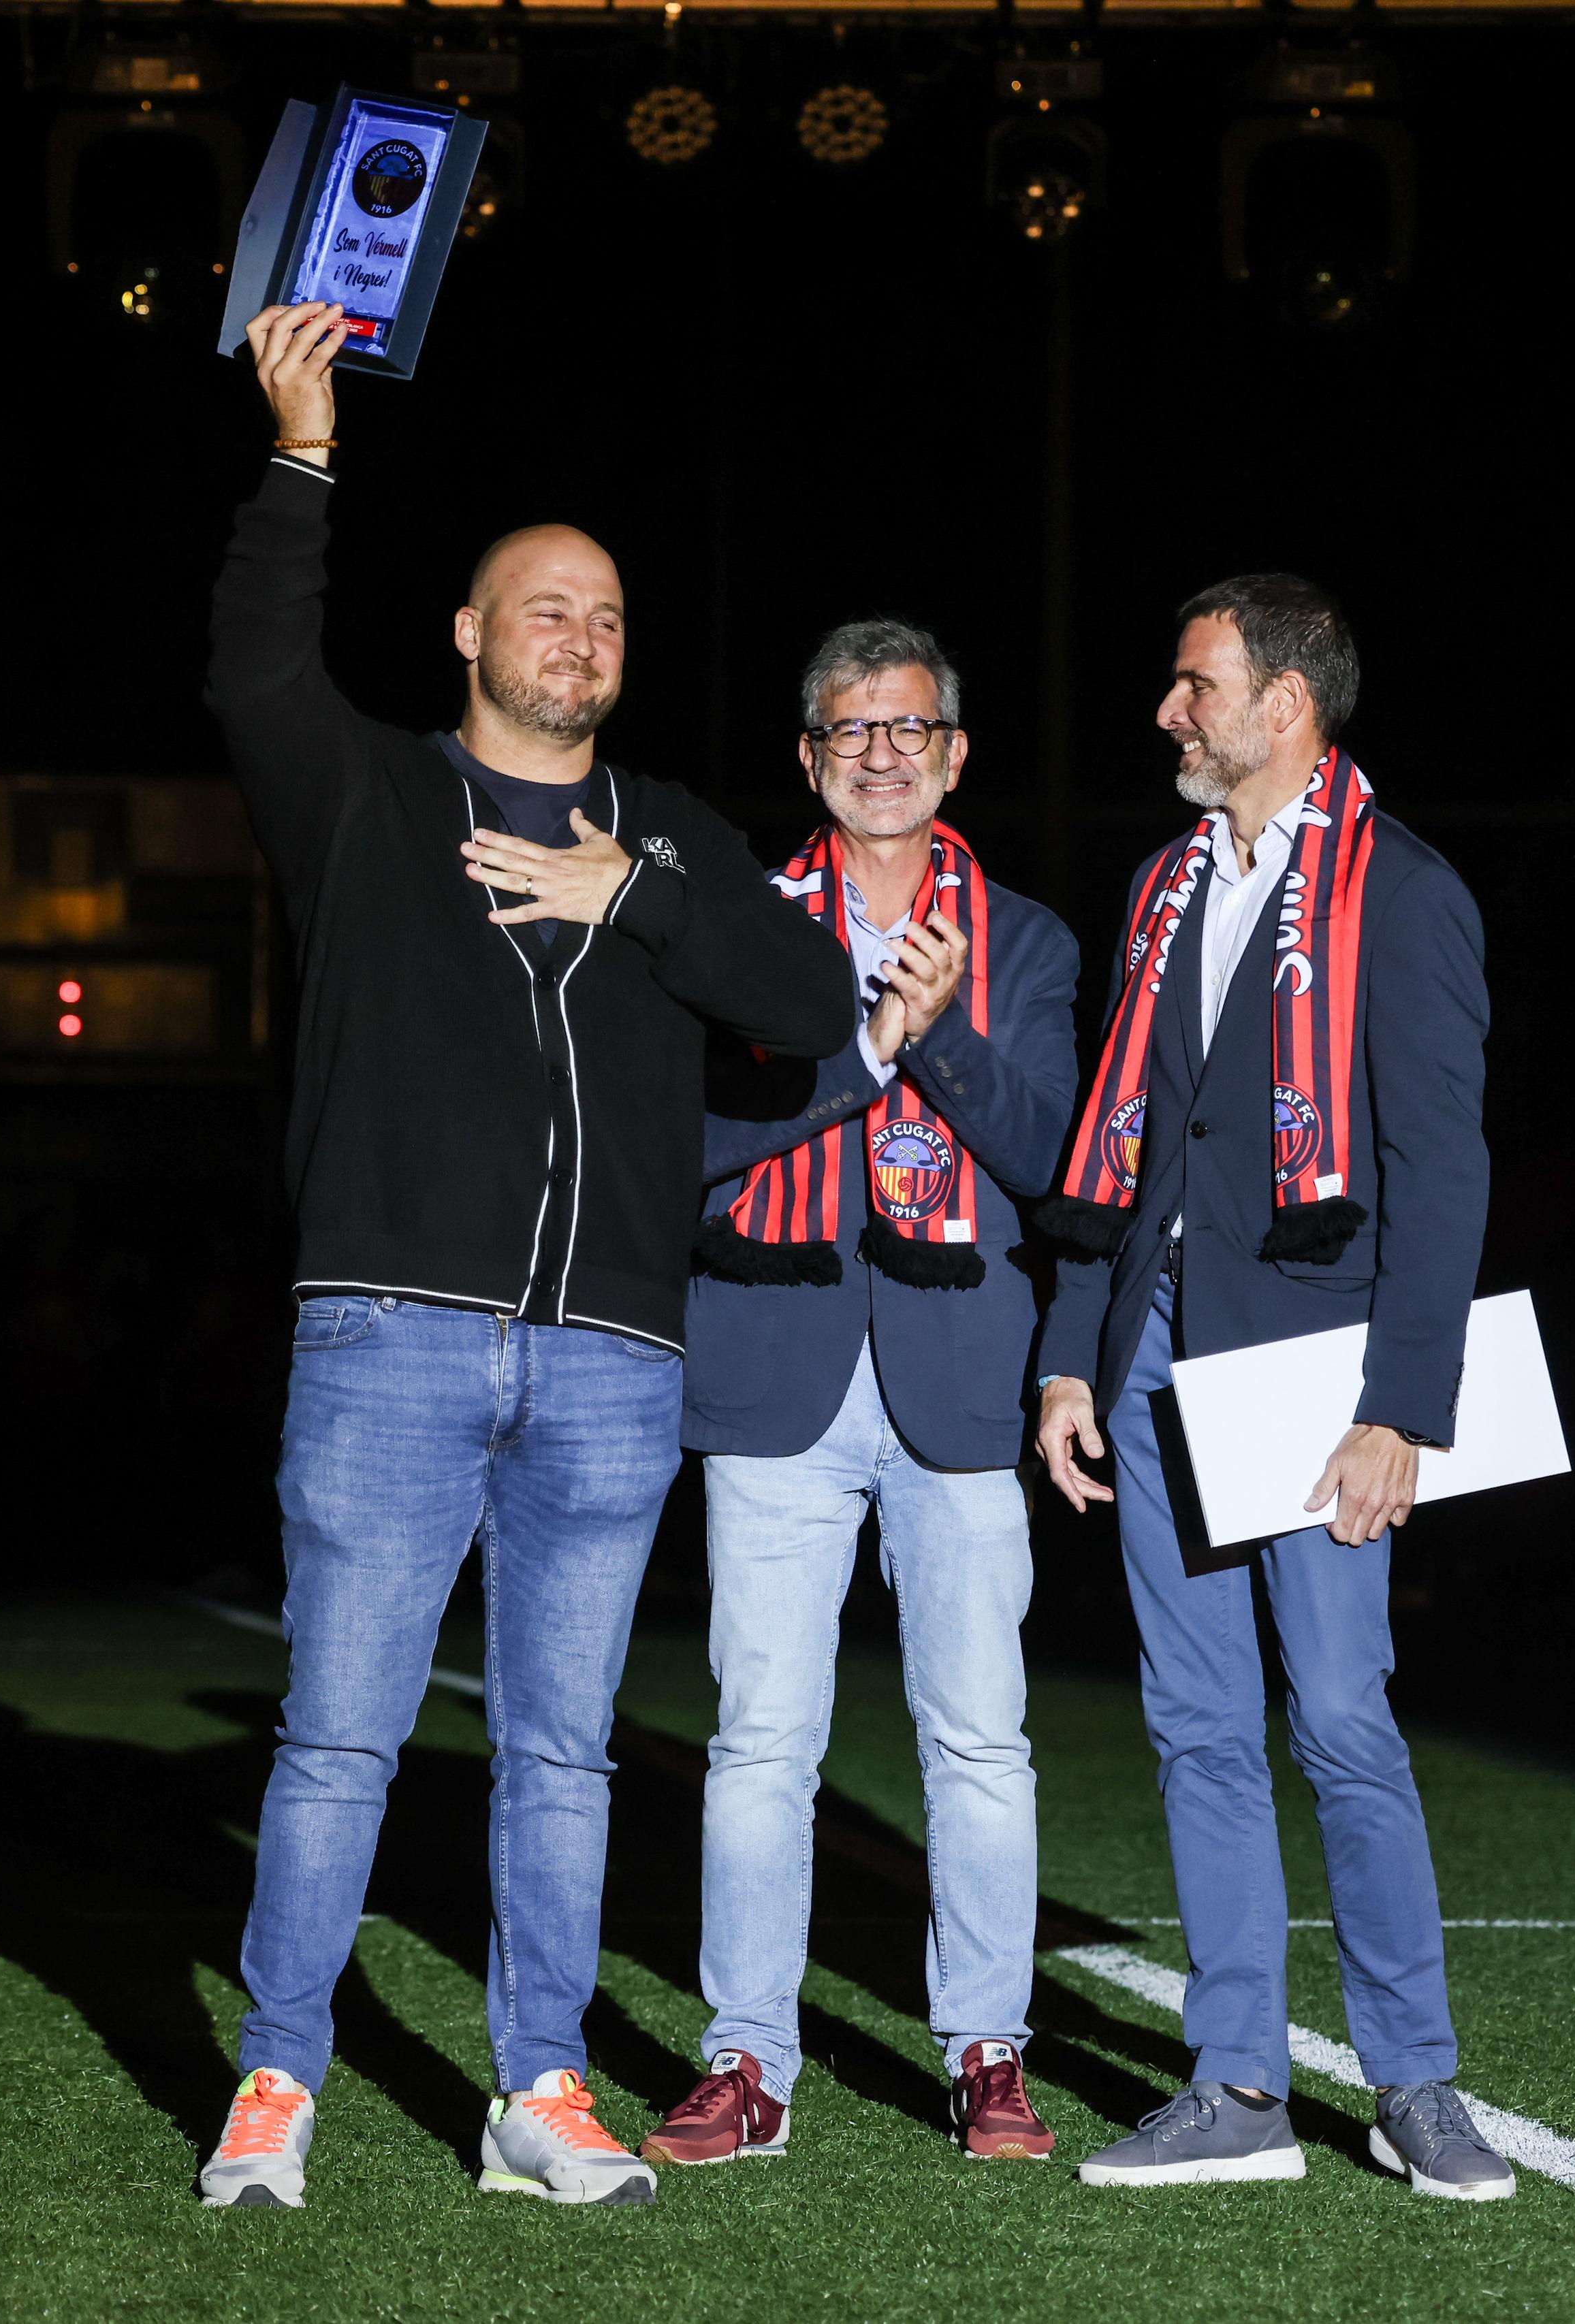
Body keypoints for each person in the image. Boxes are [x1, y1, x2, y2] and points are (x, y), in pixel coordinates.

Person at [195, 304, 859, 2212]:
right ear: (472, 638)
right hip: (392, 1338)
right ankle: (276, 2077)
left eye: (611, 617)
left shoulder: (671, 836)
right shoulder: (371, 799)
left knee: (562, 1755)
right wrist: (304, 454)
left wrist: (629, 894)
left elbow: (809, 993)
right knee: (339, 1734)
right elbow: (251, 666)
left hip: (609, 1359)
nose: (583, 635)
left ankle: (538, 2084)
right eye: (545, 607)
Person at [1028, 577, 1512, 2199]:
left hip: (1318, 1374)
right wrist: (1069, 1358)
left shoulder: (1409, 894)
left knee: (1345, 1723)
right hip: (1157, 1352)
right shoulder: (1165, 886)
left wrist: (1403, 1409)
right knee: (1196, 1728)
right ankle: (1235, 2085)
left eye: (1193, 686)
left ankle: (1415, 2081)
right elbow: (1129, 1146)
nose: (1170, 713)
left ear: (1283, 706)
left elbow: (1440, 1170)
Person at [643, 622, 1083, 2171]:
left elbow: (1052, 1162)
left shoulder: (1024, 940)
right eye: (851, 730)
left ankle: (986, 2051)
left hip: (960, 1377)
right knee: (761, 1740)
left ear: (956, 753)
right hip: (774, 1371)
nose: (883, 752)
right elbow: (686, 1148)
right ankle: (747, 2059)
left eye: (912, 728)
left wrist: (941, 1034)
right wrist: (862, 1044)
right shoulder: (740, 927)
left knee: (979, 1741)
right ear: (812, 759)